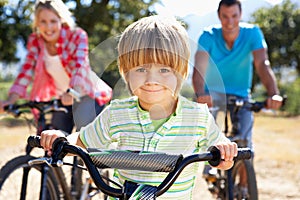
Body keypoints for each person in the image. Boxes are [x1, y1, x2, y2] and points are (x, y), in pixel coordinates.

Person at [39, 15, 238, 199]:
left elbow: (222, 156)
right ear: (126, 72)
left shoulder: (198, 116)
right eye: (141, 69)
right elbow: (82, 141)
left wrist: (224, 153)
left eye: (164, 69)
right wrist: (62, 139)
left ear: (181, 72)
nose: (152, 80)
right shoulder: (117, 113)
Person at [192, 0, 283, 186]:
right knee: (208, 124)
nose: (230, 22)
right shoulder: (208, 36)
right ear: (219, 16)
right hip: (213, 93)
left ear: (240, 15)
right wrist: (201, 93)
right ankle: (209, 165)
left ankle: (244, 189)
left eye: (234, 16)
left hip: (241, 94)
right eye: (225, 16)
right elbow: (199, 68)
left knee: (246, 142)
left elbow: (262, 64)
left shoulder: (252, 33)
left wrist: (273, 93)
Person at [0, 0, 112, 133]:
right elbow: (26, 71)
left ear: (61, 20)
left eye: (53, 21)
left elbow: (80, 66)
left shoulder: (77, 36)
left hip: (87, 94)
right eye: (43, 21)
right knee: (53, 138)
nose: (48, 27)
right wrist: (10, 101)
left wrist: (73, 91)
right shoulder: (36, 41)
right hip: (62, 98)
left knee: (84, 135)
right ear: (37, 23)